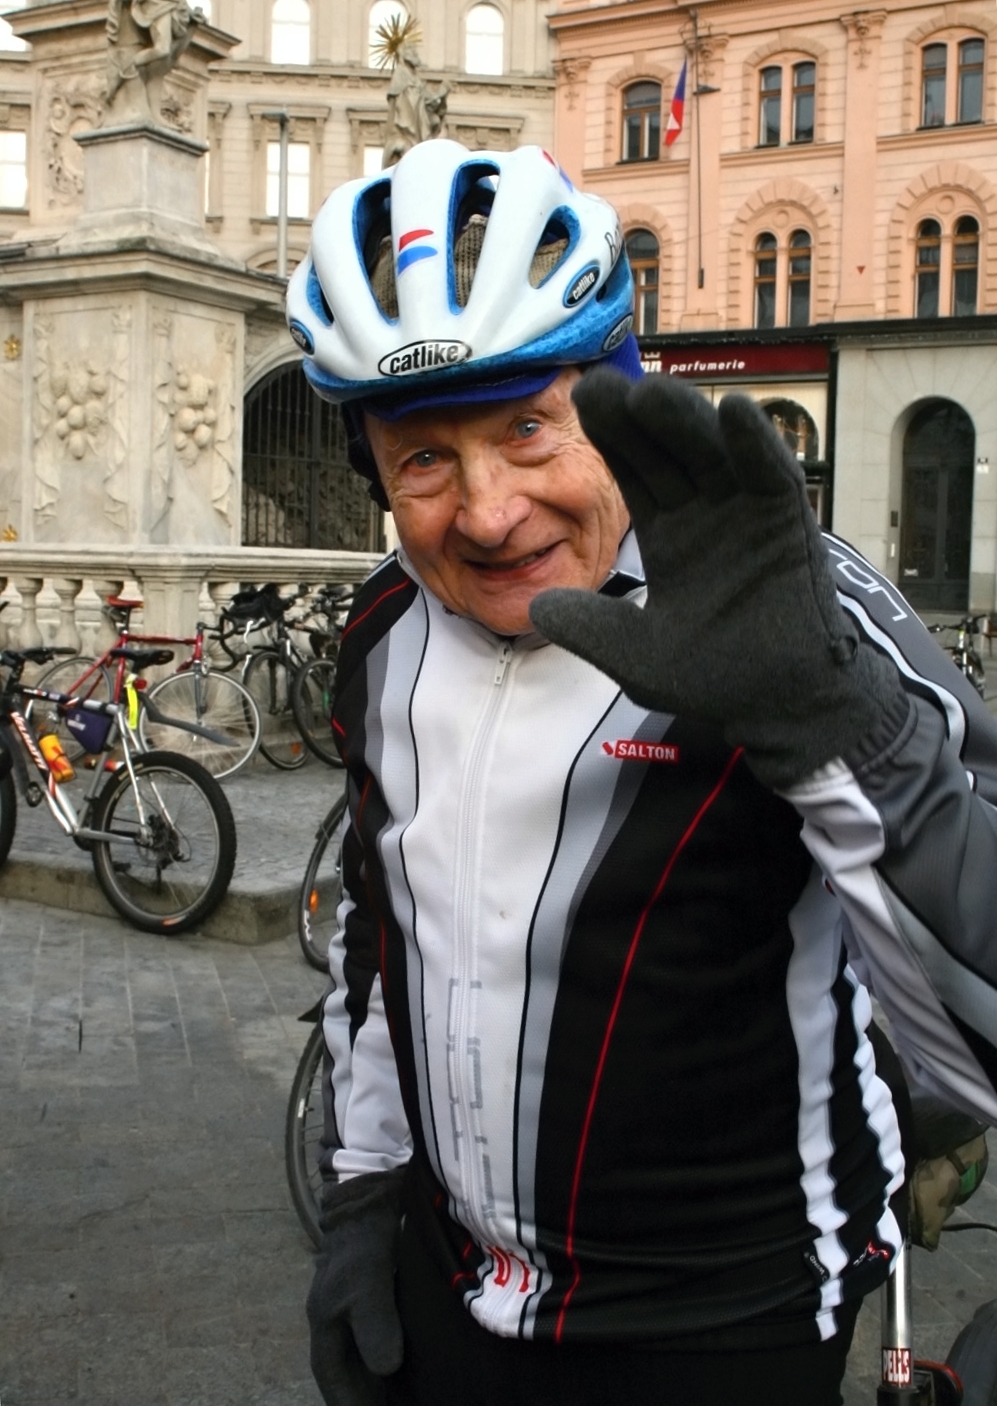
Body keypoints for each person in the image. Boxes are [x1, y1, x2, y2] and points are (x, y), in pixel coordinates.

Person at [285, 139, 997, 1406]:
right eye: (423, 457)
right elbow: (379, 932)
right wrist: (362, 1192)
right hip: (449, 1280)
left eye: (528, 426)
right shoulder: (385, 626)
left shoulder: (797, 606)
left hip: (728, 1311)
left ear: (617, 405)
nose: (488, 511)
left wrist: (826, 719)